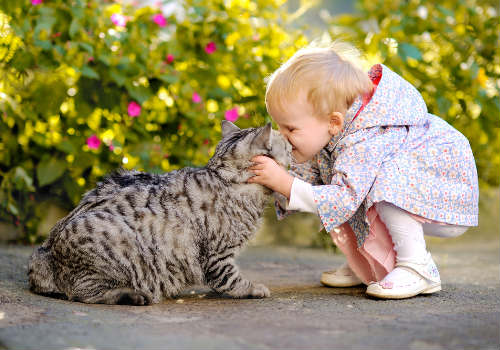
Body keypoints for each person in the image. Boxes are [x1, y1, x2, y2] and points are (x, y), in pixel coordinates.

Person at [247, 41, 479, 299]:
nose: (282, 136)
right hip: (419, 186)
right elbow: (315, 183)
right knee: (348, 180)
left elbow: (343, 199)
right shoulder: (334, 133)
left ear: (333, 121)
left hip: (443, 188)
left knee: (380, 184)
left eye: (290, 129)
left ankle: (417, 266)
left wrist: (284, 183)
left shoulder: (365, 138)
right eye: (279, 127)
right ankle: (368, 265)